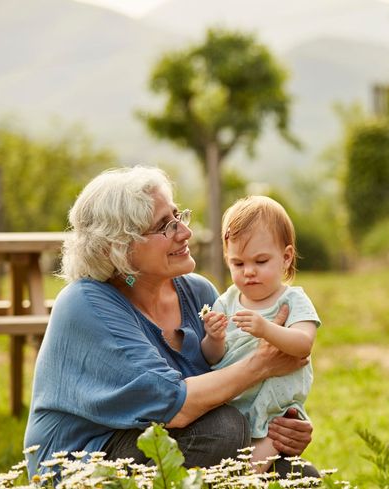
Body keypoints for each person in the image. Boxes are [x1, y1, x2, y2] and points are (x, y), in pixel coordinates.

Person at [23, 167, 316, 478]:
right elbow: (174, 406)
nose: (185, 232)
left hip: (176, 441)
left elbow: (228, 378)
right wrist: (263, 364)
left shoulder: (198, 292)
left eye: (179, 217)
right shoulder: (85, 304)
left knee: (299, 476)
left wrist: (284, 422)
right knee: (224, 430)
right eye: (165, 226)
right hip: (85, 463)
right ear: (120, 248)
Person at [200, 195, 319, 473]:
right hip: (235, 402)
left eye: (261, 261)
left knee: (248, 470)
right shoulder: (226, 301)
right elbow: (211, 358)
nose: (249, 272)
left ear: (286, 258)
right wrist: (214, 338)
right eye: (238, 264)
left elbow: (303, 345)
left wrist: (267, 328)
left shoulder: (292, 300)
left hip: (274, 410)